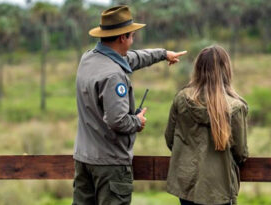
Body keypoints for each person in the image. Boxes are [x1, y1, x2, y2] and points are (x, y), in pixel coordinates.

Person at [72, 5, 186, 205]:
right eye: (132, 36)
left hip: (83, 159)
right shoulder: (114, 75)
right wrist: (137, 121)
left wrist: (162, 54)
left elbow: (130, 58)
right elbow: (118, 121)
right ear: (122, 38)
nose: (133, 40)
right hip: (110, 164)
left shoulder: (88, 59)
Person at [165, 45, 248, 205]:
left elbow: (170, 139)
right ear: (226, 70)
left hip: (187, 186)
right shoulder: (235, 108)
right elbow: (241, 153)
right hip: (219, 187)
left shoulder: (181, 99)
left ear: (197, 68)